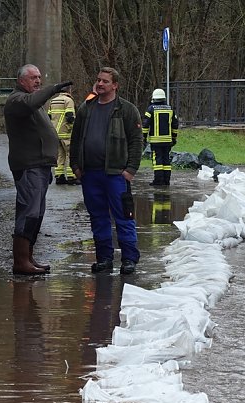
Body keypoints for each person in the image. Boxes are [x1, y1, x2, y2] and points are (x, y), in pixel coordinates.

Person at [69, 67, 144, 275]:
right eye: (98, 80)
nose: (100, 84)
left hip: (116, 174)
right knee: (98, 217)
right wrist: (75, 166)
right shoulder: (87, 109)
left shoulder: (126, 110)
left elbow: (137, 141)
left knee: (123, 217)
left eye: (105, 81)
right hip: (90, 174)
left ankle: (129, 259)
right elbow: (75, 140)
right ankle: (104, 258)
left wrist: (130, 170)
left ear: (115, 85)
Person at [4, 64, 72, 275]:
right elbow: (32, 102)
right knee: (29, 212)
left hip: (40, 166)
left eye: (40, 77)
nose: (38, 81)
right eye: (33, 78)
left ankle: (28, 257)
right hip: (28, 166)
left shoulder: (30, 100)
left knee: (37, 212)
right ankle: (21, 261)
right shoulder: (17, 100)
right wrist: (53, 89)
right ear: (21, 80)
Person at [143, 88, 179, 186]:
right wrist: (174, 137)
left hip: (156, 141)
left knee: (157, 161)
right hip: (168, 140)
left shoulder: (151, 109)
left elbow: (145, 124)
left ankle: (158, 181)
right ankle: (166, 181)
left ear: (154, 98)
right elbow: (175, 124)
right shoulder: (170, 109)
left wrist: (144, 138)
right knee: (166, 160)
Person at [47, 86, 77, 184]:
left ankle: (59, 177)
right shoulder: (68, 100)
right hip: (66, 133)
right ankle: (71, 177)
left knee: (60, 155)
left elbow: (49, 116)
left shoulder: (53, 101)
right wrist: (73, 129)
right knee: (70, 154)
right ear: (69, 90)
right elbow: (70, 117)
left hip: (55, 133)